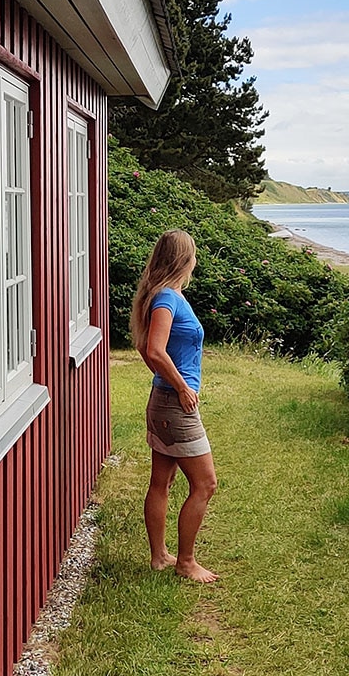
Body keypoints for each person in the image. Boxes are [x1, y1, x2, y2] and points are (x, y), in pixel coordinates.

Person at [130, 229, 219, 583]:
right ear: (185, 258)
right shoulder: (167, 298)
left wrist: (167, 382)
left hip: (162, 401)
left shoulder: (163, 295)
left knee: (161, 482)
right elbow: (152, 350)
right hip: (173, 406)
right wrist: (180, 387)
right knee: (205, 484)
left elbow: (143, 347)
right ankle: (185, 562)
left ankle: (159, 557)